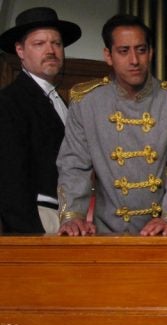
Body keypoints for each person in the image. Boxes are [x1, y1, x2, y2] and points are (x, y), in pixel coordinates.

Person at [56, 14, 167, 236]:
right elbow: (74, 164)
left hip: (163, 234)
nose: (134, 60)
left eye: (141, 50)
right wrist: (72, 216)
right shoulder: (87, 102)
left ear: (150, 52)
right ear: (108, 55)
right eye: (124, 51)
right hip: (107, 232)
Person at [0, 7, 81, 233]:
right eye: (39, 44)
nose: (51, 50)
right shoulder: (8, 102)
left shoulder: (62, 101)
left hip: (70, 218)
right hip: (39, 219)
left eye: (56, 43)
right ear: (20, 51)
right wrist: (33, 236)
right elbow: (9, 181)